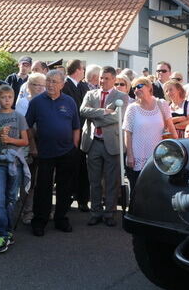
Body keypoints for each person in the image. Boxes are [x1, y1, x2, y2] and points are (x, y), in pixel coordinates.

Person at [25, 70, 80, 236]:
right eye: (48, 81)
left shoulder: (69, 102)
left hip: (67, 152)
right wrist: (33, 147)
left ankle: (61, 218)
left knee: (65, 187)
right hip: (45, 152)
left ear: (62, 84)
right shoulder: (36, 102)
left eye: (54, 81)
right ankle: (39, 221)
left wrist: (74, 146)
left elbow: (76, 126)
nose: (50, 84)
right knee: (43, 188)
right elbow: (27, 126)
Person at [80, 66, 128, 227]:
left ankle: (109, 213)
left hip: (112, 144)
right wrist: (103, 112)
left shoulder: (122, 96)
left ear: (114, 80)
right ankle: (95, 212)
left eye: (106, 78)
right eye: (101, 77)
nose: (102, 81)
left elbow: (117, 117)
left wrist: (95, 116)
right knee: (94, 181)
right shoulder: (90, 94)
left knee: (111, 182)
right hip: (93, 143)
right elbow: (83, 111)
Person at [0, 85, 30, 253]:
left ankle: (9, 230)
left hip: (15, 164)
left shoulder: (19, 117)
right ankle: (0, 234)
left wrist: (10, 140)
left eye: (9, 97)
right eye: (3, 97)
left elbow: (25, 141)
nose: (7, 100)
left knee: (11, 199)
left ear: (13, 98)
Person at [122, 77, 177, 192]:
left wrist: (176, 149)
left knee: (157, 188)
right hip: (138, 156)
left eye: (140, 86)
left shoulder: (161, 104)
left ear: (149, 88)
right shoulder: (132, 108)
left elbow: (171, 128)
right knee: (138, 189)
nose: (136, 89)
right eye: (134, 88)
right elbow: (128, 133)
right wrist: (130, 155)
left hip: (159, 155)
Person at [14, 72, 45, 225]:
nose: (39, 88)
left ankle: (40, 209)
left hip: (45, 145)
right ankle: (26, 211)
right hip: (28, 146)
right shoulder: (23, 103)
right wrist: (32, 145)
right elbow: (25, 127)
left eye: (42, 85)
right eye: (35, 85)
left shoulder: (47, 101)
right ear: (28, 86)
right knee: (28, 180)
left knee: (42, 180)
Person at [62, 59, 90, 212]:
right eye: (83, 68)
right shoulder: (65, 86)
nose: (84, 71)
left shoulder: (84, 86)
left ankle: (83, 199)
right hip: (70, 133)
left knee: (83, 167)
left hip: (84, 132)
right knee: (69, 168)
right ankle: (66, 199)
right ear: (78, 70)